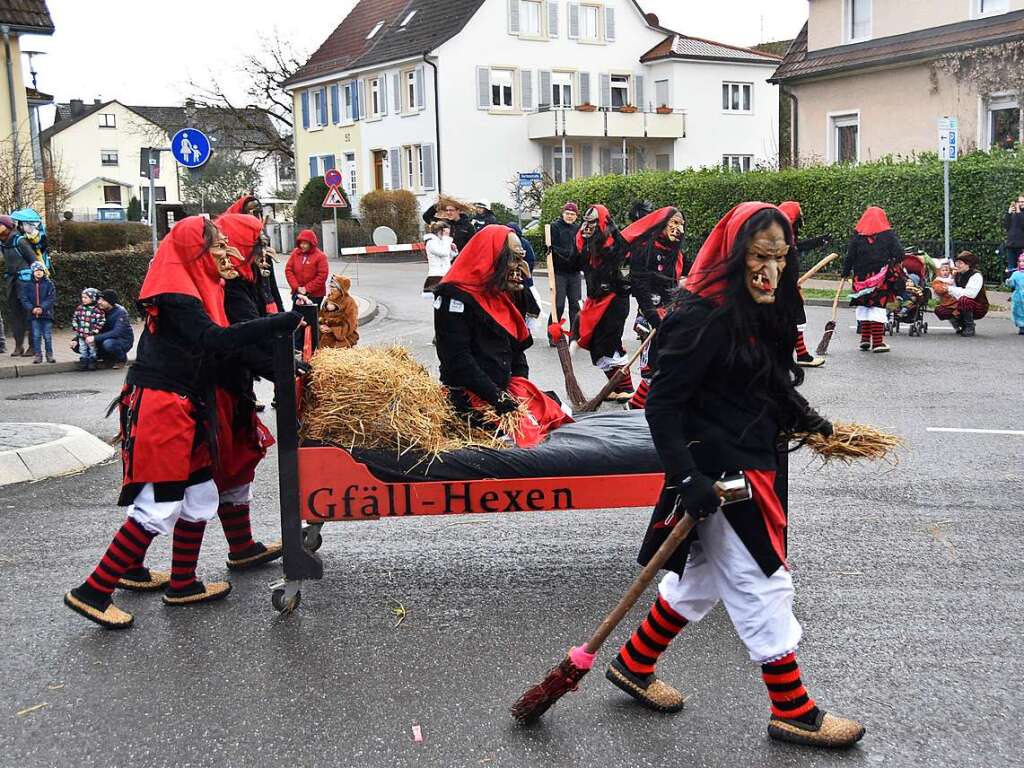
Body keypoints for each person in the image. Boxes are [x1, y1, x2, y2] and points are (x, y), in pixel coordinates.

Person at [607, 202, 864, 749]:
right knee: (763, 582)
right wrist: (686, 478)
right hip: (720, 473)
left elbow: (766, 381)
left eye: (779, 256)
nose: (769, 270)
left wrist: (811, 422)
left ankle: (633, 664)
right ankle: (793, 711)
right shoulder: (698, 315)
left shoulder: (757, 310)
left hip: (756, 458)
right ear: (732, 255)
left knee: (699, 582)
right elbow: (662, 407)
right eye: (758, 256)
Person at [62, 216, 302, 629]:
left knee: (201, 495)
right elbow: (216, 341)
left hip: (184, 405)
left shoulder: (197, 288)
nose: (224, 254)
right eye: (215, 247)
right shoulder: (177, 296)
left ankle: (184, 583)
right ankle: (93, 591)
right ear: (195, 252)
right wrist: (283, 323)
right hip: (163, 408)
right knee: (159, 505)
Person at [434, 224, 571, 448]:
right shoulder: (453, 296)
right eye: (514, 259)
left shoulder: (498, 292)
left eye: (521, 259)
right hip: (473, 397)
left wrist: (519, 385)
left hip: (503, 391)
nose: (520, 267)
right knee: (520, 440)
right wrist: (498, 398)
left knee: (556, 412)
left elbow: (514, 349)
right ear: (492, 257)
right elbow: (457, 361)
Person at [624, 207, 686, 410]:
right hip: (649, 311)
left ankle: (642, 402)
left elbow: (685, 275)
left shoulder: (676, 252)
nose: (678, 228)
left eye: (681, 224)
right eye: (674, 223)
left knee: (670, 357)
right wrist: (652, 314)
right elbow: (639, 283)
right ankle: (639, 404)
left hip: (670, 311)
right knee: (653, 361)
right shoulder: (644, 247)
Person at [576, 204, 634, 401]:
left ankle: (626, 387)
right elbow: (575, 262)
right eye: (586, 222)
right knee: (595, 343)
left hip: (614, 300)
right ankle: (616, 387)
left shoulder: (614, 243)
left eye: (593, 223)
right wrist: (553, 253)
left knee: (608, 343)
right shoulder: (585, 242)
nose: (588, 227)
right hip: (596, 300)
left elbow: (619, 254)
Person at [842, 206, 905, 353]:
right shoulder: (888, 235)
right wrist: (891, 262)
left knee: (864, 306)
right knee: (877, 306)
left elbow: (850, 256)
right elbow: (900, 254)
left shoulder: (857, 236)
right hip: (880, 278)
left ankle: (864, 339)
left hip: (861, 278)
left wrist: (845, 272)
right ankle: (877, 343)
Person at [779, 201, 832, 368]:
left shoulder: (786, 235)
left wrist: (818, 241)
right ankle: (800, 355)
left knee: (791, 320)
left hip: (784, 287)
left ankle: (797, 355)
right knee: (794, 319)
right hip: (781, 289)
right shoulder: (780, 238)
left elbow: (797, 248)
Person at [548, 202, 582, 345]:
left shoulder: (578, 229)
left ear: (576, 216)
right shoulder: (555, 227)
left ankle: (574, 337)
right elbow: (552, 248)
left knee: (576, 305)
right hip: (559, 273)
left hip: (574, 273)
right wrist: (565, 255)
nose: (569, 216)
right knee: (559, 304)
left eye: (572, 214)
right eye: (567, 213)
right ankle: (553, 334)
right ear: (563, 214)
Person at [1, 214, 36, 356]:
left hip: (26, 282)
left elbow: (33, 260)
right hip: (12, 282)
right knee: (15, 315)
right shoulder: (3, 243)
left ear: (7, 226)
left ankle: (33, 347)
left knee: (29, 314)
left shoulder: (20, 241)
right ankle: (18, 346)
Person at [934, 250, 989, 336]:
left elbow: (970, 294)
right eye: (957, 262)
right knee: (940, 310)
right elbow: (951, 291)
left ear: (968, 264)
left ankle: (969, 327)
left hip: (978, 306)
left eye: (960, 263)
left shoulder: (976, 275)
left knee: (965, 300)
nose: (957, 265)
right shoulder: (957, 275)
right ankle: (960, 325)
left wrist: (950, 289)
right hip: (959, 303)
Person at [506, 221, 541, 329]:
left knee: (526, 303)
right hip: (506, 283)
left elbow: (530, 260)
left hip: (522, 282)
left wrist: (524, 276)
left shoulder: (524, 243)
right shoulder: (503, 244)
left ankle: (524, 327)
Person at [19, 261, 56, 363]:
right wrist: (32, 308)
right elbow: (24, 299)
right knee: (36, 336)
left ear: (44, 271)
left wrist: (42, 308)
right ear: (32, 272)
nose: (39, 272)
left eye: (41, 270)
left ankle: (49, 355)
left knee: (47, 336)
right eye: (36, 270)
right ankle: (38, 355)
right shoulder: (27, 285)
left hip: (46, 314)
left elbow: (51, 298)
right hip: (33, 315)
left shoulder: (49, 284)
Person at [285, 229, 329, 308]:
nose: (302, 245)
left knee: (311, 317)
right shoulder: (295, 253)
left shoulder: (320, 256)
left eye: (305, 243)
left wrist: (307, 288)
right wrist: (296, 287)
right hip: (298, 292)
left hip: (315, 295)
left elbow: (322, 276)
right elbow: (289, 270)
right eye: (301, 243)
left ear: (311, 244)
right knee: (296, 316)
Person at [93, 290, 134, 368]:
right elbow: (87, 326)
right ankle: (107, 360)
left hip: (122, 340)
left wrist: (94, 338)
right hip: (104, 338)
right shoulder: (97, 310)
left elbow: (116, 332)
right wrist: (76, 339)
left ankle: (122, 359)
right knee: (78, 344)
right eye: (99, 299)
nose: (99, 302)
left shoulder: (121, 312)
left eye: (103, 300)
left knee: (108, 344)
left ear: (110, 302)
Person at [318, 274, 360, 349]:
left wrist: (332, 330)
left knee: (333, 347)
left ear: (340, 289)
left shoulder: (349, 302)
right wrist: (320, 325)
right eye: (330, 286)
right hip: (325, 333)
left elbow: (350, 324)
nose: (330, 289)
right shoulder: (328, 299)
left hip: (341, 336)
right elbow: (321, 316)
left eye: (333, 287)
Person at [71, 287, 106, 371]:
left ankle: (92, 361)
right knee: (82, 348)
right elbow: (75, 318)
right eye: (82, 297)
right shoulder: (80, 308)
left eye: (86, 298)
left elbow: (101, 320)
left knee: (92, 348)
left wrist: (96, 330)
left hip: (91, 335)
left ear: (93, 298)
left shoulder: (98, 310)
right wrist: (76, 327)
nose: (83, 299)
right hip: (81, 333)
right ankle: (83, 361)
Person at [423, 220, 456, 297]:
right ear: (441, 232)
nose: (449, 236)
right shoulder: (431, 242)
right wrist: (447, 240)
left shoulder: (442, 242)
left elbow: (448, 257)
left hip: (446, 273)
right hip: (436, 275)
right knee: (439, 299)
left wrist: (453, 250)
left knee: (446, 299)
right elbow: (443, 253)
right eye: (447, 233)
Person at [1002, 195, 1024, 277]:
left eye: (1023, 202)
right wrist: (1009, 213)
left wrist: (1018, 211)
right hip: (1011, 245)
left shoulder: (1020, 213)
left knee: (1021, 268)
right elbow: (1006, 226)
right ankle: (1013, 288)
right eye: (1020, 202)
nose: (1021, 204)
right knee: (1011, 268)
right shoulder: (1013, 213)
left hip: (1022, 246)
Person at [1006, 253, 1024, 335]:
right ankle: (1022, 326)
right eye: (1020, 261)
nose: (1021, 263)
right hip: (1018, 297)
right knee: (1018, 311)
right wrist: (1009, 281)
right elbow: (1012, 283)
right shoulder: (1016, 273)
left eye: (1023, 261)